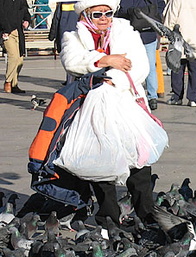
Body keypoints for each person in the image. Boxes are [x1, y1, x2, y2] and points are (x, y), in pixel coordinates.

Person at [20, 0, 162, 228]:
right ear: (86, 14)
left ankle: (146, 212)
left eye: (108, 13)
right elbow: (72, 61)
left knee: (138, 161)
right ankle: (108, 216)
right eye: (97, 14)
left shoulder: (125, 30)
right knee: (100, 160)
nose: (104, 18)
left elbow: (138, 66)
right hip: (91, 109)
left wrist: (109, 81)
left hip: (126, 104)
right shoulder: (73, 36)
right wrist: (106, 60)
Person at [164, 0, 196, 106]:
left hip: (179, 39)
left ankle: (177, 97)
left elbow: (170, 19)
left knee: (177, 70)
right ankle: (193, 98)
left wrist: (169, 33)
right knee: (195, 71)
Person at [117, 0, 165, 110]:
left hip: (132, 33)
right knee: (151, 66)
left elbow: (123, 9)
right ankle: (152, 96)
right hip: (149, 33)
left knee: (129, 65)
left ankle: (133, 92)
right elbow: (161, 6)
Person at [0, 0, 31, 93]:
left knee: (20, 60)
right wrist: (4, 30)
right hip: (6, 33)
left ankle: (14, 84)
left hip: (18, 31)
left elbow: (25, 10)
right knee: (13, 56)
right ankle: (8, 82)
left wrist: (27, 20)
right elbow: (1, 15)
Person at [48, 1, 79, 84]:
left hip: (64, 36)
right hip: (78, 36)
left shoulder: (63, 4)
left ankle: (70, 82)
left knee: (69, 60)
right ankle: (73, 81)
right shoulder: (82, 4)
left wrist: (52, 35)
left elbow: (56, 21)